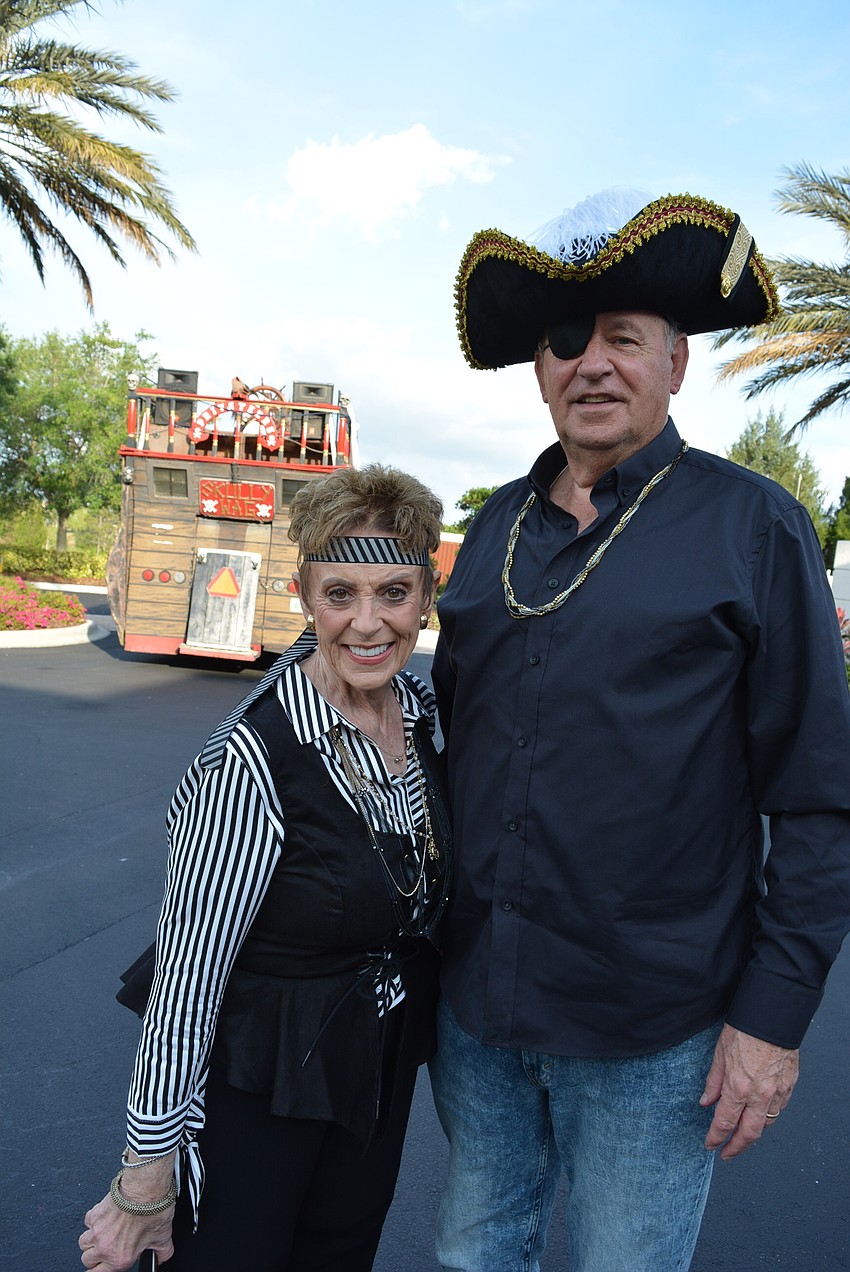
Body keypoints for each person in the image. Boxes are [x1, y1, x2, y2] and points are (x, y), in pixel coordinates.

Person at [430, 187, 850, 1272]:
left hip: (653, 1030)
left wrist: (772, 1019)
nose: (593, 365)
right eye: (567, 343)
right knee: (475, 1259)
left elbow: (815, 790)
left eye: (624, 338)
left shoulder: (752, 526)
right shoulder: (488, 533)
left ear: (677, 362)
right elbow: (439, 744)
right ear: (538, 367)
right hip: (476, 1008)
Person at [79, 464, 452, 1272]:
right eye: (339, 593)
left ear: (427, 595)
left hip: (370, 1080)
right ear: (302, 595)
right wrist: (145, 1180)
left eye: (393, 592)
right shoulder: (254, 759)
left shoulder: (420, 718)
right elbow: (187, 979)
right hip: (259, 1093)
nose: (367, 622)